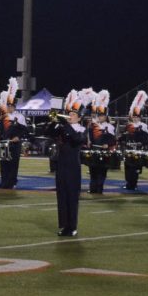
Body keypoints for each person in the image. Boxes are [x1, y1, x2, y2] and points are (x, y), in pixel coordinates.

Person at [49, 91, 87, 236]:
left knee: (72, 196)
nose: (70, 116)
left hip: (73, 167)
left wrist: (66, 125)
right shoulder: (64, 127)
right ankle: (64, 225)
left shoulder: (82, 129)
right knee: (62, 196)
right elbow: (49, 133)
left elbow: (77, 139)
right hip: (61, 166)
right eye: (69, 114)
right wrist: (54, 121)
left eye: (73, 115)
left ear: (79, 117)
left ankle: (73, 226)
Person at [0, 77, 27, 189]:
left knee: (13, 163)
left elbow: (24, 130)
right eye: (8, 106)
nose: (9, 108)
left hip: (14, 143)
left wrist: (18, 137)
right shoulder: (4, 116)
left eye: (11, 106)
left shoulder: (20, 116)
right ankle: (4, 181)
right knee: (3, 163)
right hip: (4, 142)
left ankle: (12, 182)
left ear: (14, 106)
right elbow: (0, 129)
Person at [85, 90, 116, 195]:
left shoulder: (110, 126)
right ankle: (92, 188)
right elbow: (89, 136)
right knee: (93, 170)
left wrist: (108, 144)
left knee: (102, 172)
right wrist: (89, 141)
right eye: (99, 115)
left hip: (104, 151)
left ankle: (99, 189)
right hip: (94, 150)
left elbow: (113, 139)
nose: (100, 117)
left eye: (102, 115)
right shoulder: (93, 126)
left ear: (106, 116)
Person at [119, 90, 148, 191]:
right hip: (128, 148)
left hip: (138, 149)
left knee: (136, 168)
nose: (135, 118)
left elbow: (146, 139)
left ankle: (134, 183)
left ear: (140, 117)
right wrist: (122, 137)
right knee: (128, 168)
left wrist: (139, 132)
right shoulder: (128, 125)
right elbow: (123, 137)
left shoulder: (143, 126)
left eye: (137, 117)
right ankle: (128, 183)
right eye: (134, 116)